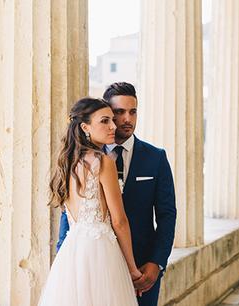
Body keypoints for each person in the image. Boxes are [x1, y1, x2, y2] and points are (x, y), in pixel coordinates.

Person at [57, 82, 177, 306]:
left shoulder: (156, 157)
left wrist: (157, 262)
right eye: (118, 113)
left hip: (143, 268)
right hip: (91, 267)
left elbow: (167, 214)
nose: (126, 119)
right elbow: (70, 216)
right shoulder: (90, 160)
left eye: (133, 111)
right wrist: (63, 259)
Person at [39, 98, 141, 306]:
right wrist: (131, 268)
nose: (114, 126)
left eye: (112, 120)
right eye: (105, 121)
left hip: (72, 252)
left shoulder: (67, 162)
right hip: (100, 251)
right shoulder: (103, 162)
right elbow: (119, 221)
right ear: (85, 127)